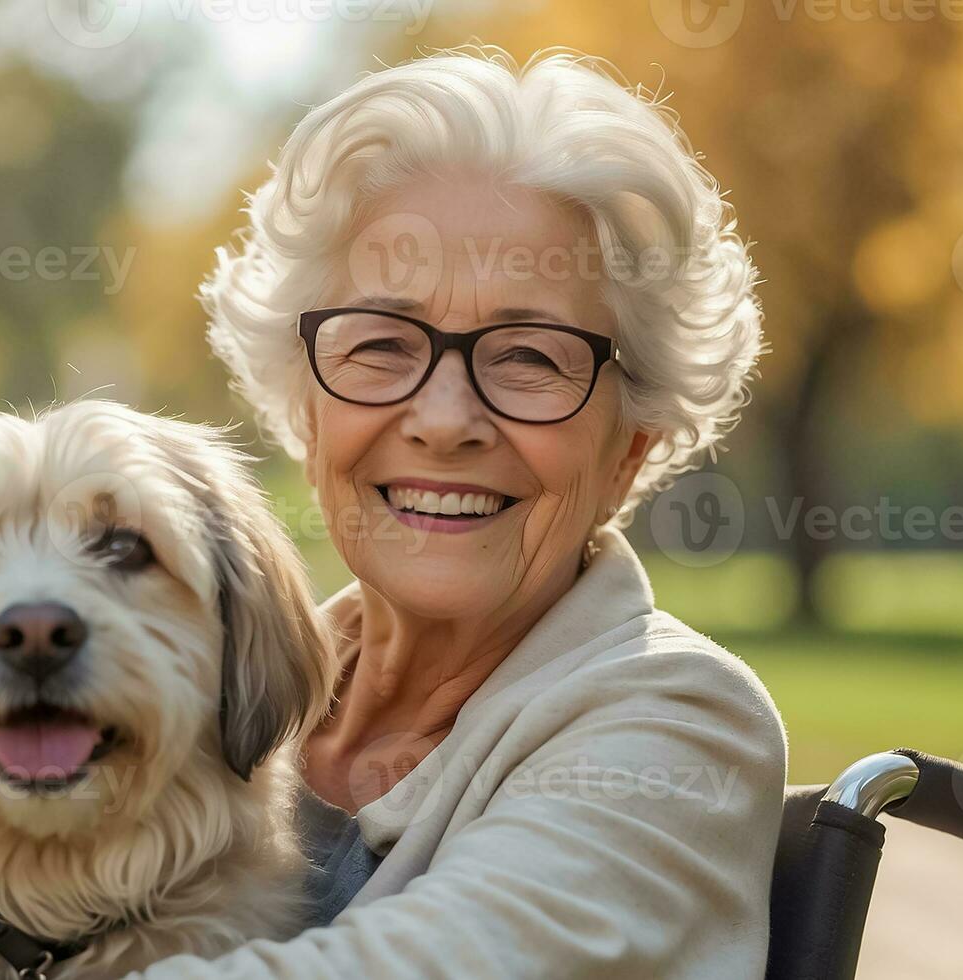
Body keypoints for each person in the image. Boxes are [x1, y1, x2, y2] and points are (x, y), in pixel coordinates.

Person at [132, 47, 784, 977]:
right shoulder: (215, 697)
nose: (444, 421)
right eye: (383, 344)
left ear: (628, 447)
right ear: (308, 413)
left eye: (528, 356)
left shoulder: (682, 729)